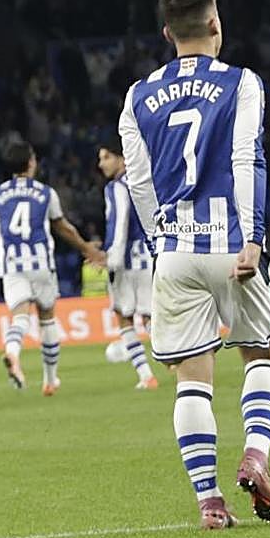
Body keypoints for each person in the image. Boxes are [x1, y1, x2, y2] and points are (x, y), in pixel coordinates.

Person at [118, 0, 270, 530]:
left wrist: (159, 242)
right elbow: (245, 159)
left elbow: (138, 184)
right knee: (260, 354)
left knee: (192, 379)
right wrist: (252, 238)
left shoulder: (137, 95)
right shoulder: (241, 83)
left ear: (167, 34)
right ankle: (256, 456)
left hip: (175, 251)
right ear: (216, 25)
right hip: (230, 243)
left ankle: (210, 503)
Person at [0, 142, 102, 396]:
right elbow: (63, 228)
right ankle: (50, 380)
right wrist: (86, 248)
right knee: (47, 317)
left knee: (19, 317)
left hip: (12, 265)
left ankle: (12, 352)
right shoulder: (46, 193)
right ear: (30, 163)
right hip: (40, 263)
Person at [97, 142, 159, 390]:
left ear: (122, 159)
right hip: (148, 257)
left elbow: (119, 222)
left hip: (126, 260)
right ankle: (177, 362)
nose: (101, 163)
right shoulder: (145, 181)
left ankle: (146, 376)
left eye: (106, 157)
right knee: (150, 316)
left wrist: (111, 258)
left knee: (124, 317)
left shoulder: (115, 187)